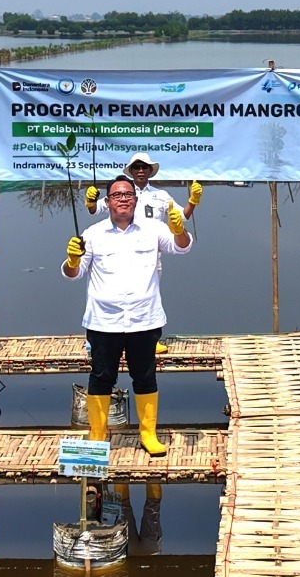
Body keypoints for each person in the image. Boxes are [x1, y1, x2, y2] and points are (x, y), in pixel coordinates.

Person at [63, 173, 193, 456]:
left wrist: (179, 229)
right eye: (117, 195)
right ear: (107, 202)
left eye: (128, 194)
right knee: (101, 376)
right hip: (103, 321)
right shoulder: (93, 234)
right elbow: (74, 274)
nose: (123, 199)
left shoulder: (153, 228)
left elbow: (181, 247)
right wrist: (72, 259)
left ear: (136, 199)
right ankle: (97, 435)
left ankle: (148, 434)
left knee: (145, 376)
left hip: (144, 319)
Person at [85, 153, 201, 355]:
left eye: (144, 167)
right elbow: (95, 210)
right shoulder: (119, 192)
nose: (140, 171)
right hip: (118, 248)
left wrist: (193, 200)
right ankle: (97, 337)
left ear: (150, 171)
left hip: (149, 253)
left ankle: (151, 338)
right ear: (130, 171)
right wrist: (90, 200)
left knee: (149, 294)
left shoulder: (161, 195)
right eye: (136, 167)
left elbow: (184, 215)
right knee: (107, 288)